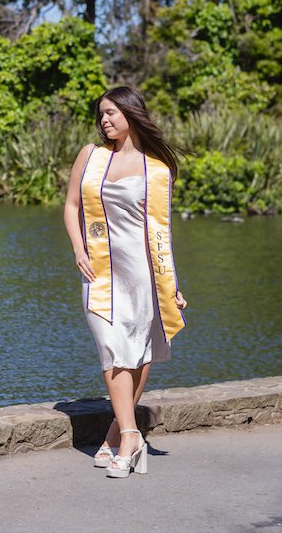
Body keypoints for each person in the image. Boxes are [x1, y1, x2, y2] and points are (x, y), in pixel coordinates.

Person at [63, 86, 187, 478]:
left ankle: (120, 433)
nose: (105, 120)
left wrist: (172, 285)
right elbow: (70, 206)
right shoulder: (91, 156)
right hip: (99, 269)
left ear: (131, 114)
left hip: (142, 269)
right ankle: (132, 434)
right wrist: (79, 249)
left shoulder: (157, 170)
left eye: (112, 113)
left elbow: (160, 232)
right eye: (101, 114)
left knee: (139, 346)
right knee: (111, 346)